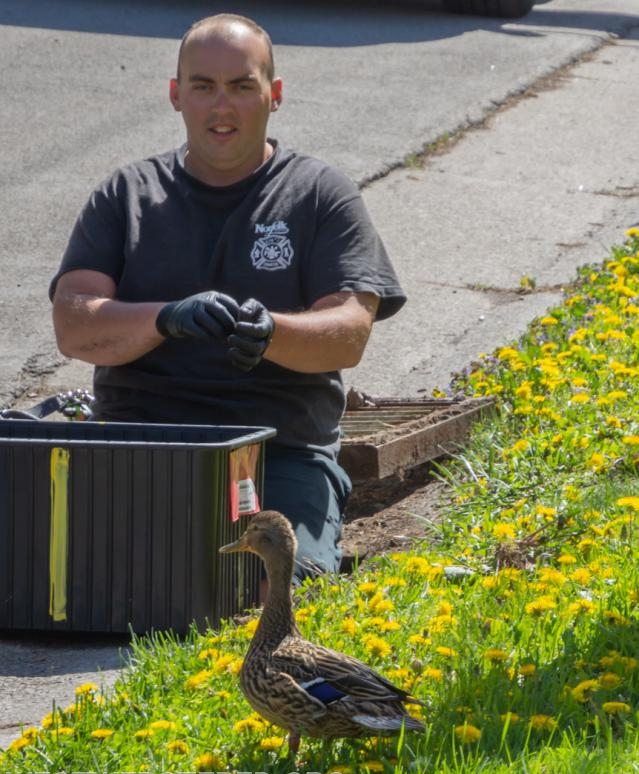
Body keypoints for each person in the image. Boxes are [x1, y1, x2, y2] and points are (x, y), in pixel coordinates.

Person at [49, 13, 406, 585]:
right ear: (176, 95)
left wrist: (272, 334)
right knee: (87, 582)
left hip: (279, 454)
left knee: (273, 591)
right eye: (203, 86)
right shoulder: (126, 195)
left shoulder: (319, 194)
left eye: (242, 86)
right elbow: (73, 325)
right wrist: (167, 319)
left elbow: (350, 329)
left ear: (275, 94)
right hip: (141, 447)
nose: (222, 106)